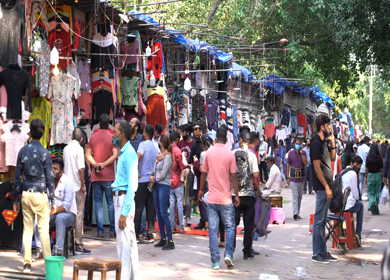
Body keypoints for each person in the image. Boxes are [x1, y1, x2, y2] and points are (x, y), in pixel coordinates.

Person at [13, 119, 54, 273]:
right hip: (40, 193)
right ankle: (48, 265)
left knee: (28, 229)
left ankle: (27, 264)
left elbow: (17, 178)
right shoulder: (45, 153)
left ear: (30, 132)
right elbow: (50, 179)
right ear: (42, 133)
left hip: (26, 193)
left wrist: (16, 199)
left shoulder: (22, 151)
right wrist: (53, 199)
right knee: (43, 230)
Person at [199, 126, 239, 270]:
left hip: (212, 199)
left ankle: (215, 261)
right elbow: (234, 176)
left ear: (216, 137)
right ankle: (228, 254)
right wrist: (237, 195)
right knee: (230, 227)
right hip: (226, 198)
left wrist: (201, 190)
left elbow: (203, 173)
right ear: (227, 138)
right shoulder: (230, 154)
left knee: (213, 229)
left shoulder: (209, 153)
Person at [111, 121, 140, 280]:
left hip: (123, 200)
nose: (113, 135)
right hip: (121, 199)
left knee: (124, 245)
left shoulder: (129, 153)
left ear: (121, 134)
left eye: (115, 132)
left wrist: (124, 212)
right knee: (129, 244)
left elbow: (132, 185)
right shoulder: (124, 152)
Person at [35, 157, 77, 256]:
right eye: (51, 169)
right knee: (37, 218)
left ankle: (58, 250)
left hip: (68, 214)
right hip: (52, 212)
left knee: (60, 218)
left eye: (55, 169)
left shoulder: (68, 182)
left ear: (61, 170)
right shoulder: (49, 181)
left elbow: (66, 206)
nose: (53, 171)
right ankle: (40, 248)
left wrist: (53, 211)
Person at [86, 114, 118, 238]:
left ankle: (100, 231)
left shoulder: (93, 137)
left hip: (96, 175)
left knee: (98, 203)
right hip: (108, 175)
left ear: (99, 124)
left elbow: (87, 155)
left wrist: (95, 165)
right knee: (110, 203)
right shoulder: (112, 138)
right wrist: (104, 164)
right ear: (108, 124)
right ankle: (112, 230)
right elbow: (115, 155)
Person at [311, 114, 337, 264]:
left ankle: (323, 251)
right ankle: (317, 253)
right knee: (319, 221)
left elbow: (333, 158)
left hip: (327, 185)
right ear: (322, 126)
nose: (330, 128)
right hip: (322, 187)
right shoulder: (315, 143)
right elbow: (316, 168)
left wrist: (332, 142)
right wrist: (326, 187)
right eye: (328, 125)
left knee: (322, 220)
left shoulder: (324, 142)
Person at [232, 130, 260, 260]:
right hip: (248, 195)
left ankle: (230, 249)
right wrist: (258, 189)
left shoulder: (232, 154)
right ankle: (247, 251)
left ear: (241, 140)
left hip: (234, 194)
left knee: (232, 223)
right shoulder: (252, 155)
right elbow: (255, 175)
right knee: (248, 224)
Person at [64, 128, 91, 255]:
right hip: (76, 186)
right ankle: (78, 244)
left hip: (67, 187)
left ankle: (69, 244)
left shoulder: (65, 149)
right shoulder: (79, 149)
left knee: (70, 216)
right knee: (79, 215)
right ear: (81, 139)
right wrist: (82, 185)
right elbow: (81, 169)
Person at [135, 124, 159, 243]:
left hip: (142, 180)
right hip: (152, 180)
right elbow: (159, 161)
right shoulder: (156, 147)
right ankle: (149, 233)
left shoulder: (142, 145)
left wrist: (135, 172)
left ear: (145, 133)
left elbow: (137, 158)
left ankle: (136, 233)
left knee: (138, 208)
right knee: (150, 207)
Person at [150, 135, 175, 250]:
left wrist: (155, 179)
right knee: (159, 213)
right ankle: (163, 238)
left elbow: (164, 173)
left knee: (164, 212)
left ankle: (170, 240)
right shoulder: (159, 156)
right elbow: (155, 169)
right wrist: (152, 176)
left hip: (163, 185)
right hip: (156, 185)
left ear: (161, 143)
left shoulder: (168, 157)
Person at [169, 131, 189, 233]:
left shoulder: (168, 150)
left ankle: (172, 226)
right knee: (179, 204)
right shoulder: (177, 151)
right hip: (177, 180)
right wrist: (187, 166)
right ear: (177, 139)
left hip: (169, 181)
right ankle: (181, 226)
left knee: (172, 204)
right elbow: (181, 166)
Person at [342, 155, 364, 246]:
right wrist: (357, 198)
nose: (358, 167)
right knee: (361, 205)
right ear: (352, 164)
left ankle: (347, 232)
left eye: (359, 166)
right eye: (357, 165)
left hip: (338, 204)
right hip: (348, 205)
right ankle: (358, 233)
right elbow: (356, 195)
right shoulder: (353, 174)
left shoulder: (343, 171)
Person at [286, 137, 308, 220]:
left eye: (299, 144)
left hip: (301, 178)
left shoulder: (304, 153)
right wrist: (287, 176)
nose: (298, 145)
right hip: (293, 178)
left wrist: (302, 154)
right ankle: (295, 213)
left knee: (300, 196)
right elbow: (288, 164)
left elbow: (305, 163)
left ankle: (297, 212)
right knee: (295, 195)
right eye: (297, 143)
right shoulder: (291, 153)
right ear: (294, 144)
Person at [178, 123, 194, 226]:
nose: (182, 134)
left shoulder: (194, 143)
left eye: (183, 132)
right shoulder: (180, 143)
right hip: (180, 171)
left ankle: (188, 216)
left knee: (188, 195)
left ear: (188, 133)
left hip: (190, 171)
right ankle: (180, 215)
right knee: (180, 194)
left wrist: (189, 165)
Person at [366, 143, 384, 215]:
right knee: (377, 192)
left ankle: (372, 203)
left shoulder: (368, 157)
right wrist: (383, 177)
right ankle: (375, 209)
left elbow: (367, 168)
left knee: (370, 191)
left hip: (370, 175)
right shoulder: (379, 158)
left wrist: (366, 176)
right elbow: (381, 168)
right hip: (378, 175)